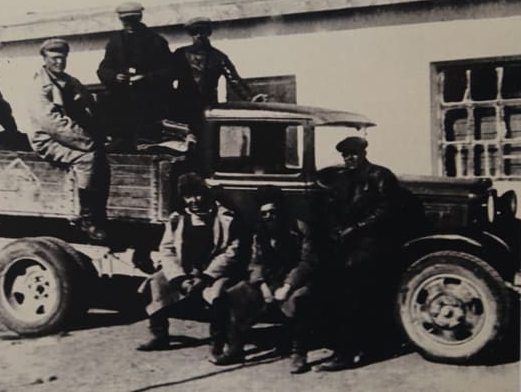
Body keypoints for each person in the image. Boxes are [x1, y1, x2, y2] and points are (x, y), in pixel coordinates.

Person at [209, 186, 322, 373]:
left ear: (281, 211)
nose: (270, 217)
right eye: (265, 213)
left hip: (295, 282)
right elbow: (255, 263)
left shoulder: (300, 229)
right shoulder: (259, 233)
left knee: (300, 299)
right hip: (268, 282)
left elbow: (307, 263)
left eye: (273, 211)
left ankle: (298, 353)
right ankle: (235, 348)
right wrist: (262, 286)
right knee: (234, 295)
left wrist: (287, 286)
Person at [313, 136, 402, 372]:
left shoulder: (380, 176)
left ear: (363, 153)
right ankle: (351, 347)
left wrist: (357, 228)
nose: (349, 159)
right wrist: (336, 231)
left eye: (353, 154)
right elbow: (331, 208)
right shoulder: (340, 179)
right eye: (345, 155)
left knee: (353, 294)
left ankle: (345, 354)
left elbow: (387, 210)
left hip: (373, 242)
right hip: (346, 243)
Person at [136, 173, 247, 354]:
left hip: (212, 273)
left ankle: (217, 340)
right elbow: (167, 250)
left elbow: (231, 252)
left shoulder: (226, 218)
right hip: (183, 271)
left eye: (197, 194)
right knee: (156, 282)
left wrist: (205, 277)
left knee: (219, 293)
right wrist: (179, 278)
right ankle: (159, 335)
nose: (193, 200)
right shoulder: (177, 219)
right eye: (188, 196)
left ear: (206, 194)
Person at [28, 38, 110, 241]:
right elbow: (53, 124)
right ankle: (87, 218)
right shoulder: (40, 86)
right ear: (44, 59)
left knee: (103, 156)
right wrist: (87, 142)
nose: (59, 62)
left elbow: (90, 106)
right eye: (54, 58)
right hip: (47, 140)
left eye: (62, 58)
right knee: (87, 159)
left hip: (71, 136)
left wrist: (102, 132)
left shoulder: (70, 81)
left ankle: (100, 214)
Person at [97, 2, 173, 151]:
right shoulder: (115, 42)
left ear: (140, 18)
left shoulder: (156, 41)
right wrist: (114, 76)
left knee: (148, 143)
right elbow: (103, 69)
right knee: (122, 143)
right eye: (126, 21)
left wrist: (146, 78)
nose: (129, 25)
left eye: (133, 20)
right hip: (122, 103)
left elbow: (170, 71)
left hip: (150, 103)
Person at [171, 17, 265, 138]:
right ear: (190, 34)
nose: (199, 35)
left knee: (208, 143)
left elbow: (234, 79)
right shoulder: (180, 54)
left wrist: (251, 97)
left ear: (209, 32)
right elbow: (167, 77)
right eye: (194, 31)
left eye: (202, 30)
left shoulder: (219, 57)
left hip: (208, 109)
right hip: (183, 109)